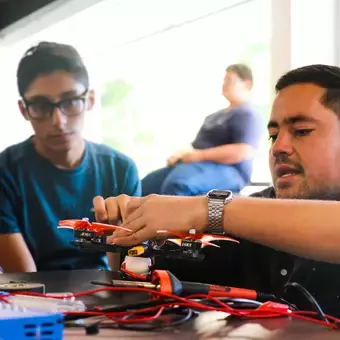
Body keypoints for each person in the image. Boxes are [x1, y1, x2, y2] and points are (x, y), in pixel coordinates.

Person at [93, 64, 340, 316]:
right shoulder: (245, 223)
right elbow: (156, 283)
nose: (278, 147)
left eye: (301, 131)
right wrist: (126, 233)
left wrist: (206, 208)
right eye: (273, 135)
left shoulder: (229, 213)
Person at [0, 42, 141, 273]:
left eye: (70, 101)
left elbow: (126, 274)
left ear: (90, 100)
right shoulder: (5, 172)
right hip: (37, 298)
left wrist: (117, 234)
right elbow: (25, 281)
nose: (58, 120)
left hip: (108, 293)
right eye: (40, 105)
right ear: (24, 110)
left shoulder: (121, 170)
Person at [142, 63, 264, 196]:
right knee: (144, 186)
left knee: (178, 184)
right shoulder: (213, 116)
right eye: (224, 80)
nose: (224, 84)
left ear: (246, 84)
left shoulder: (247, 114)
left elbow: (242, 151)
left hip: (230, 170)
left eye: (229, 80)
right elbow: (196, 147)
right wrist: (181, 156)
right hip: (196, 165)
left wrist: (199, 156)